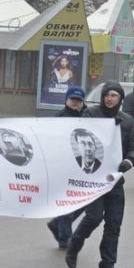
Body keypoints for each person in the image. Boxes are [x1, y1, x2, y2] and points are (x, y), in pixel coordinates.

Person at [65, 81, 134, 268]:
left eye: (114, 95)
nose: (110, 98)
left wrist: (128, 162)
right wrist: (105, 128)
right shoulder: (92, 114)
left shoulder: (128, 121)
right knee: (94, 216)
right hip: (93, 178)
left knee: (114, 223)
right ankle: (74, 245)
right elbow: (81, 134)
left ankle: (107, 264)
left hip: (114, 179)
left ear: (120, 99)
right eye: (107, 95)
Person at [47, 85, 89, 248]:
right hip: (63, 166)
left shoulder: (88, 116)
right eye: (72, 100)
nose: (75, 103)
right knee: (66, 202)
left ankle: (56, 224)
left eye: (78, 101)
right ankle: (65, 239)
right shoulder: (59, 118)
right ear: (66, 100)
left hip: (82, 166)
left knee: (85, 201)